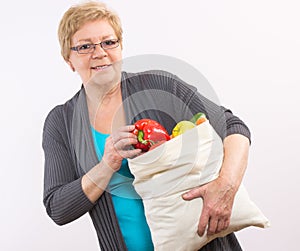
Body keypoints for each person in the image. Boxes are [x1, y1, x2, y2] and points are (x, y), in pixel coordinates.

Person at [42, 1, 250, 250]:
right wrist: (106, 166)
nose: (99, 53)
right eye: (85, 46)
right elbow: (58, 208)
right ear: (69, 60)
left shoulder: (160, 87)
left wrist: (225, 186)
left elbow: (233, 127)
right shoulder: (61, 122)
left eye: (109, 42)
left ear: (120, 46)